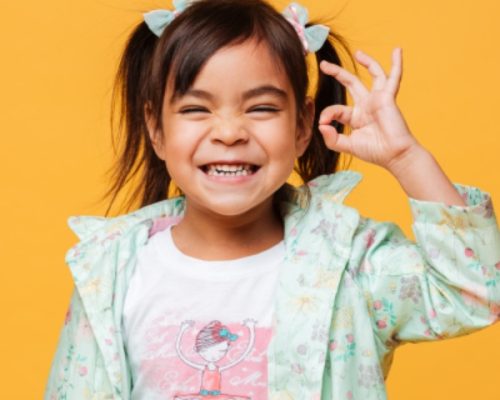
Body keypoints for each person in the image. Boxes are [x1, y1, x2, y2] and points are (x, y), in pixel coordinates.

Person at [44, 0, 500, 399]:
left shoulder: (350, 263)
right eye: (196, 109)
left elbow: (476, 293)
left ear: (303, 126)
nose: (229, 132)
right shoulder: (111, 271)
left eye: (261, 108)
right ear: (156, 130)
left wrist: (406, 158)